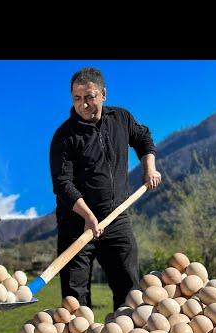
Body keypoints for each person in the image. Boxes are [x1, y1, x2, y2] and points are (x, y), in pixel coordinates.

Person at [49, 67, 162, 311]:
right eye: (77, 98)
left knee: (130, 294)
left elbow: (143, 138)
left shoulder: (121, 118)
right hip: (76, 224)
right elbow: (63, 184)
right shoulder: (64, 137)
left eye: (89, 97)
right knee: (75, 304)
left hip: (116, 218)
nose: (83, 104)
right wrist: (88, 217)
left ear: (103, 94)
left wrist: (149, 168)